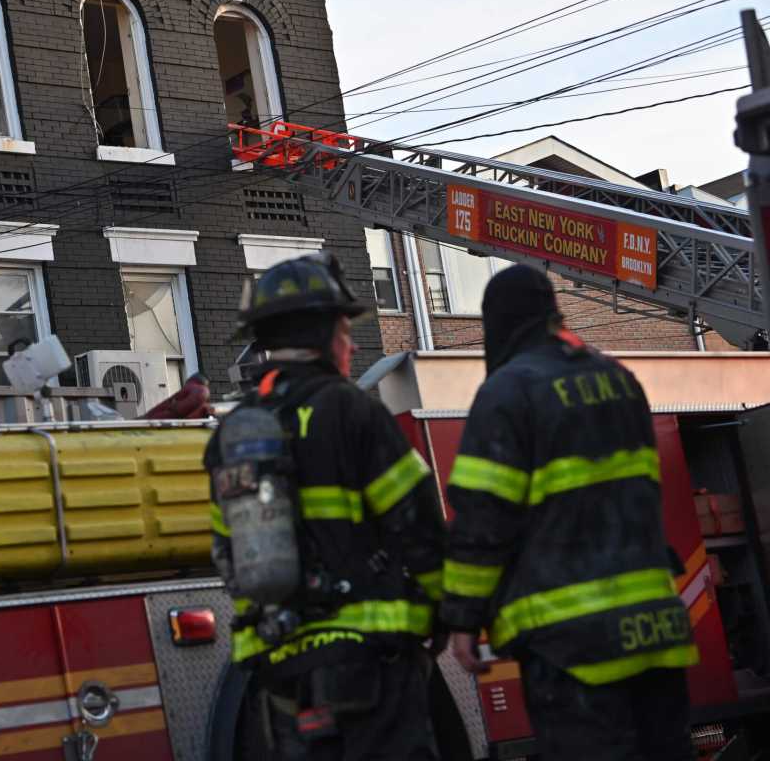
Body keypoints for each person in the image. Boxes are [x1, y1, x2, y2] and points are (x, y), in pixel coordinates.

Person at [441, 264, 698, 761]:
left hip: (573, 646)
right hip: (655, 631)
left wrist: (463, 621)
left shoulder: (508, 394)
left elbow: (483, 522)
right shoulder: (619, 380)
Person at [206, 253, 445, 760]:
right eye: (343, 329)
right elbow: (419, 525)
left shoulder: (233, 432)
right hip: (370, 661)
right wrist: (450, 612)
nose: (352, 343)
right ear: (321, 335)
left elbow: (226, 553)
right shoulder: (353, 410)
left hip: (280, 674)